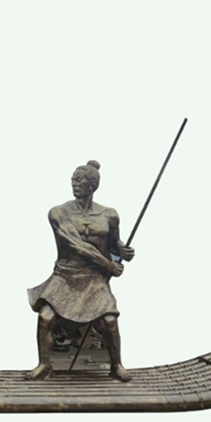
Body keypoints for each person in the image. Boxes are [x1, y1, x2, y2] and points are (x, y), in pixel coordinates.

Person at [26, 160, 134, 381]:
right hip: (65, 275)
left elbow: (113, 244)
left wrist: (123, 250)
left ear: (92, 185)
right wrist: (109, 265)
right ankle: (44, 365)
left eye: (79, 180)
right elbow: (76, 245)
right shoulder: (58, 212)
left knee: (109, 321)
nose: (74, 183)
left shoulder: (109, 215)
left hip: (94, 277)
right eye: (73, 180)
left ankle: (116, 365)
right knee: (46, 317)